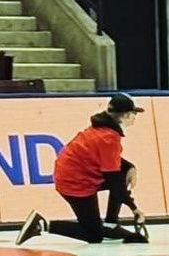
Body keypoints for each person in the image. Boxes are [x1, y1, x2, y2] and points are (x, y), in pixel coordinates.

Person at [15, 94, 148, 246]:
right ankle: (43, 224)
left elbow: (108, 160)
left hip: (75, 174)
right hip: (75, 183)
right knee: (93, 235)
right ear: (126, 115)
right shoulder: (108, 138)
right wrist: (135, 208)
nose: (135, 117)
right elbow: (114, 181)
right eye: (134, 113)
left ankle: (111, 223)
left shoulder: (101, 128)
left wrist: (130, 167)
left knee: (123, 173)